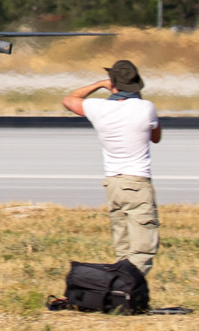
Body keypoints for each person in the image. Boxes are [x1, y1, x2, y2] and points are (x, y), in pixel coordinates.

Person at [61, 60, 162, 276]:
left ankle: (120, 294)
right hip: (137, 182)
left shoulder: (99, 108)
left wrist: (99, 84)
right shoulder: (146, 108)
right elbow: (156, 137)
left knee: (123, 248)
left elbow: (69, 100)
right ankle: (124, 288)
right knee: (143, 248)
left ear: (113, 84)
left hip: (113, 183)